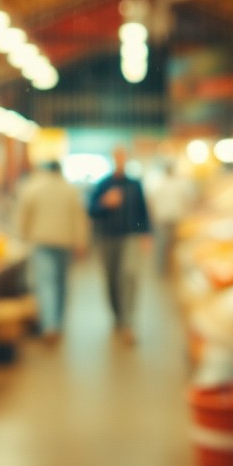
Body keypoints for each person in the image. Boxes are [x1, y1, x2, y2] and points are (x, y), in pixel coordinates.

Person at [13, 160, 90, 346]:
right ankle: (59, 323)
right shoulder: (71, 190)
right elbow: (79, 217)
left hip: (41, 240)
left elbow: (23, 214)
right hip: (65, 241)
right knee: (62, 283)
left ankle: (49, 326)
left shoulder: (33, 188)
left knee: (46, 283)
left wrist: (21, 236)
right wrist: (81, 241)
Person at [88, 146, 150, 344]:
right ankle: (117, 316)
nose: (120, 160)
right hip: (107, 238)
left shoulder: (135, 185)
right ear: (113, 159)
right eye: (117, 157)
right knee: (112, 279)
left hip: (130, 236)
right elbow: (91, 210)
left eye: (123, 157)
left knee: (129, 275)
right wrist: (104, 203)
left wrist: (145, 232)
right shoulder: (103, 185)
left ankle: (128, 322)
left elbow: (142, 211)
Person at [146, 161, 196, 271]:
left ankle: (162, 268)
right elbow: (188, 200)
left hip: (163, 219)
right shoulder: (178, 184)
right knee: (172, 245)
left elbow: (150, 202)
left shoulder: (158, 184)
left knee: (162, 245)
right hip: (174, 218)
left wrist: (152, 217)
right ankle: (170, 268)